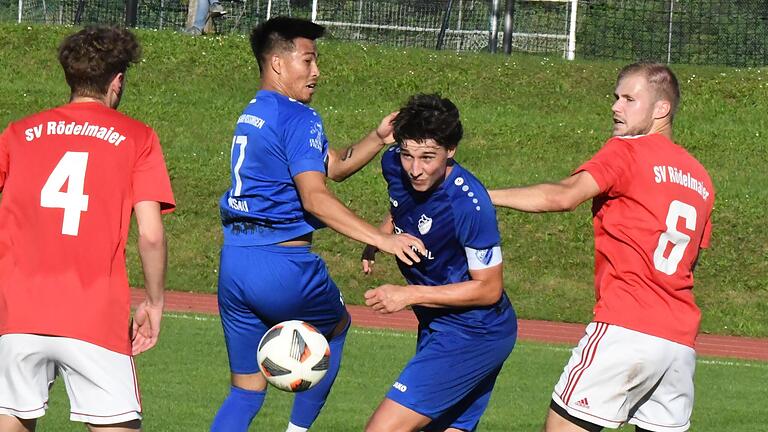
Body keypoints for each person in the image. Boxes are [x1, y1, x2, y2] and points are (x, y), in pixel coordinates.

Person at [211, 17, 425, 432]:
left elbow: (333, 167)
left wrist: (378, 137)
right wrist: (383, 239)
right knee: (337, 326)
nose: (316, 72)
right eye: (307, 60)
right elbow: (316, 196)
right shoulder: (299, 116)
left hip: (235, 262)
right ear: (277, 63)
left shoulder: (256, 110)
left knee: (245, 390)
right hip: (282, 265)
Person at [489, 63, 714, 432]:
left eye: (629, 99)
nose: (615, 107)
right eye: (615, 98)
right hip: (679, 345)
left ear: (661, 109)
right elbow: (692, 260)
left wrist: (481, 196)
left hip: (626, 328)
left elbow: (563, 196)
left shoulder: (628, 150)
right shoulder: (700, 177)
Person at [0, 26, 175, 432]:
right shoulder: (138, 138)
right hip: (94, 314)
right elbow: (150, 233)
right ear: (117, 82)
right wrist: (155, 301)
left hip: (18, 312)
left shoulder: (18, 133)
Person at [362, 94, 518, 432]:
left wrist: (409, 295)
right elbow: (401, 204)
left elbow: (489, 289)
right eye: (408, 154)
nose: (415, 169)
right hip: (439, 325)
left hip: (475, 331)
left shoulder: (469, 206)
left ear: (451, 150)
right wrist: (380, 237)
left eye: (427, 157)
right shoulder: (393, 165)